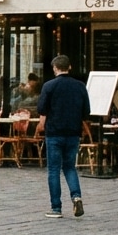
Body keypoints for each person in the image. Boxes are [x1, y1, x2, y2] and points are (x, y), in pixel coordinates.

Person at [37, 55, 90, 218]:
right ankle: (76, 196)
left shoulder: (49, 86)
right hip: (73, 132)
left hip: (54, 132)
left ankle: (56, 208)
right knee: (69, 167)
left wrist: (41, 125)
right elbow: (86, 111)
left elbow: (41, 109)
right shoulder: (80, 86)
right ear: (70, 67)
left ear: (55, 68)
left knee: (53, 169)